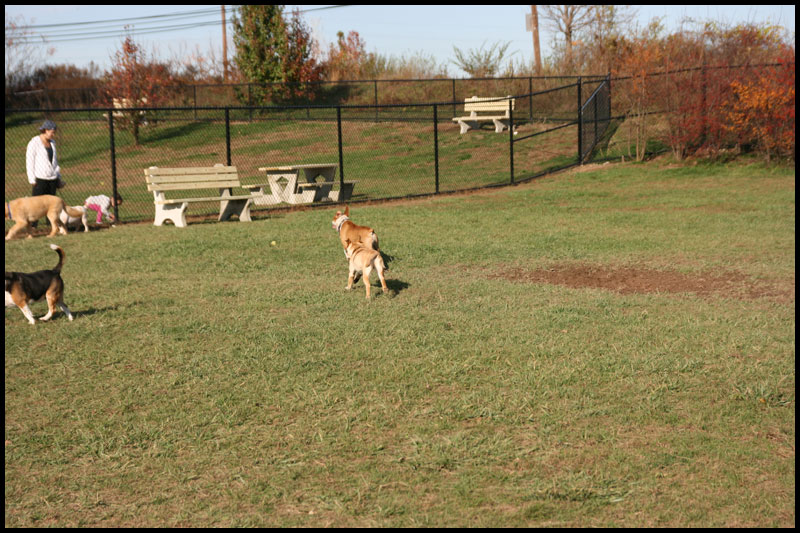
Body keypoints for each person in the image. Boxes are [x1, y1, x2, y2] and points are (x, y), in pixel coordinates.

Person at [26, 119, 64, 197]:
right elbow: (30, 161)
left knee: (51, 206)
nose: (53, 135)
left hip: (52, 179)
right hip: (40, 179)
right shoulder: (34, 142)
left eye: (54, 133)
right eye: (52, 132)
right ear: (45, 130)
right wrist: (32, 179)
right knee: (38, 206)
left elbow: (54, 162)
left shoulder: (53, 143)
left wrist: (58, 177)